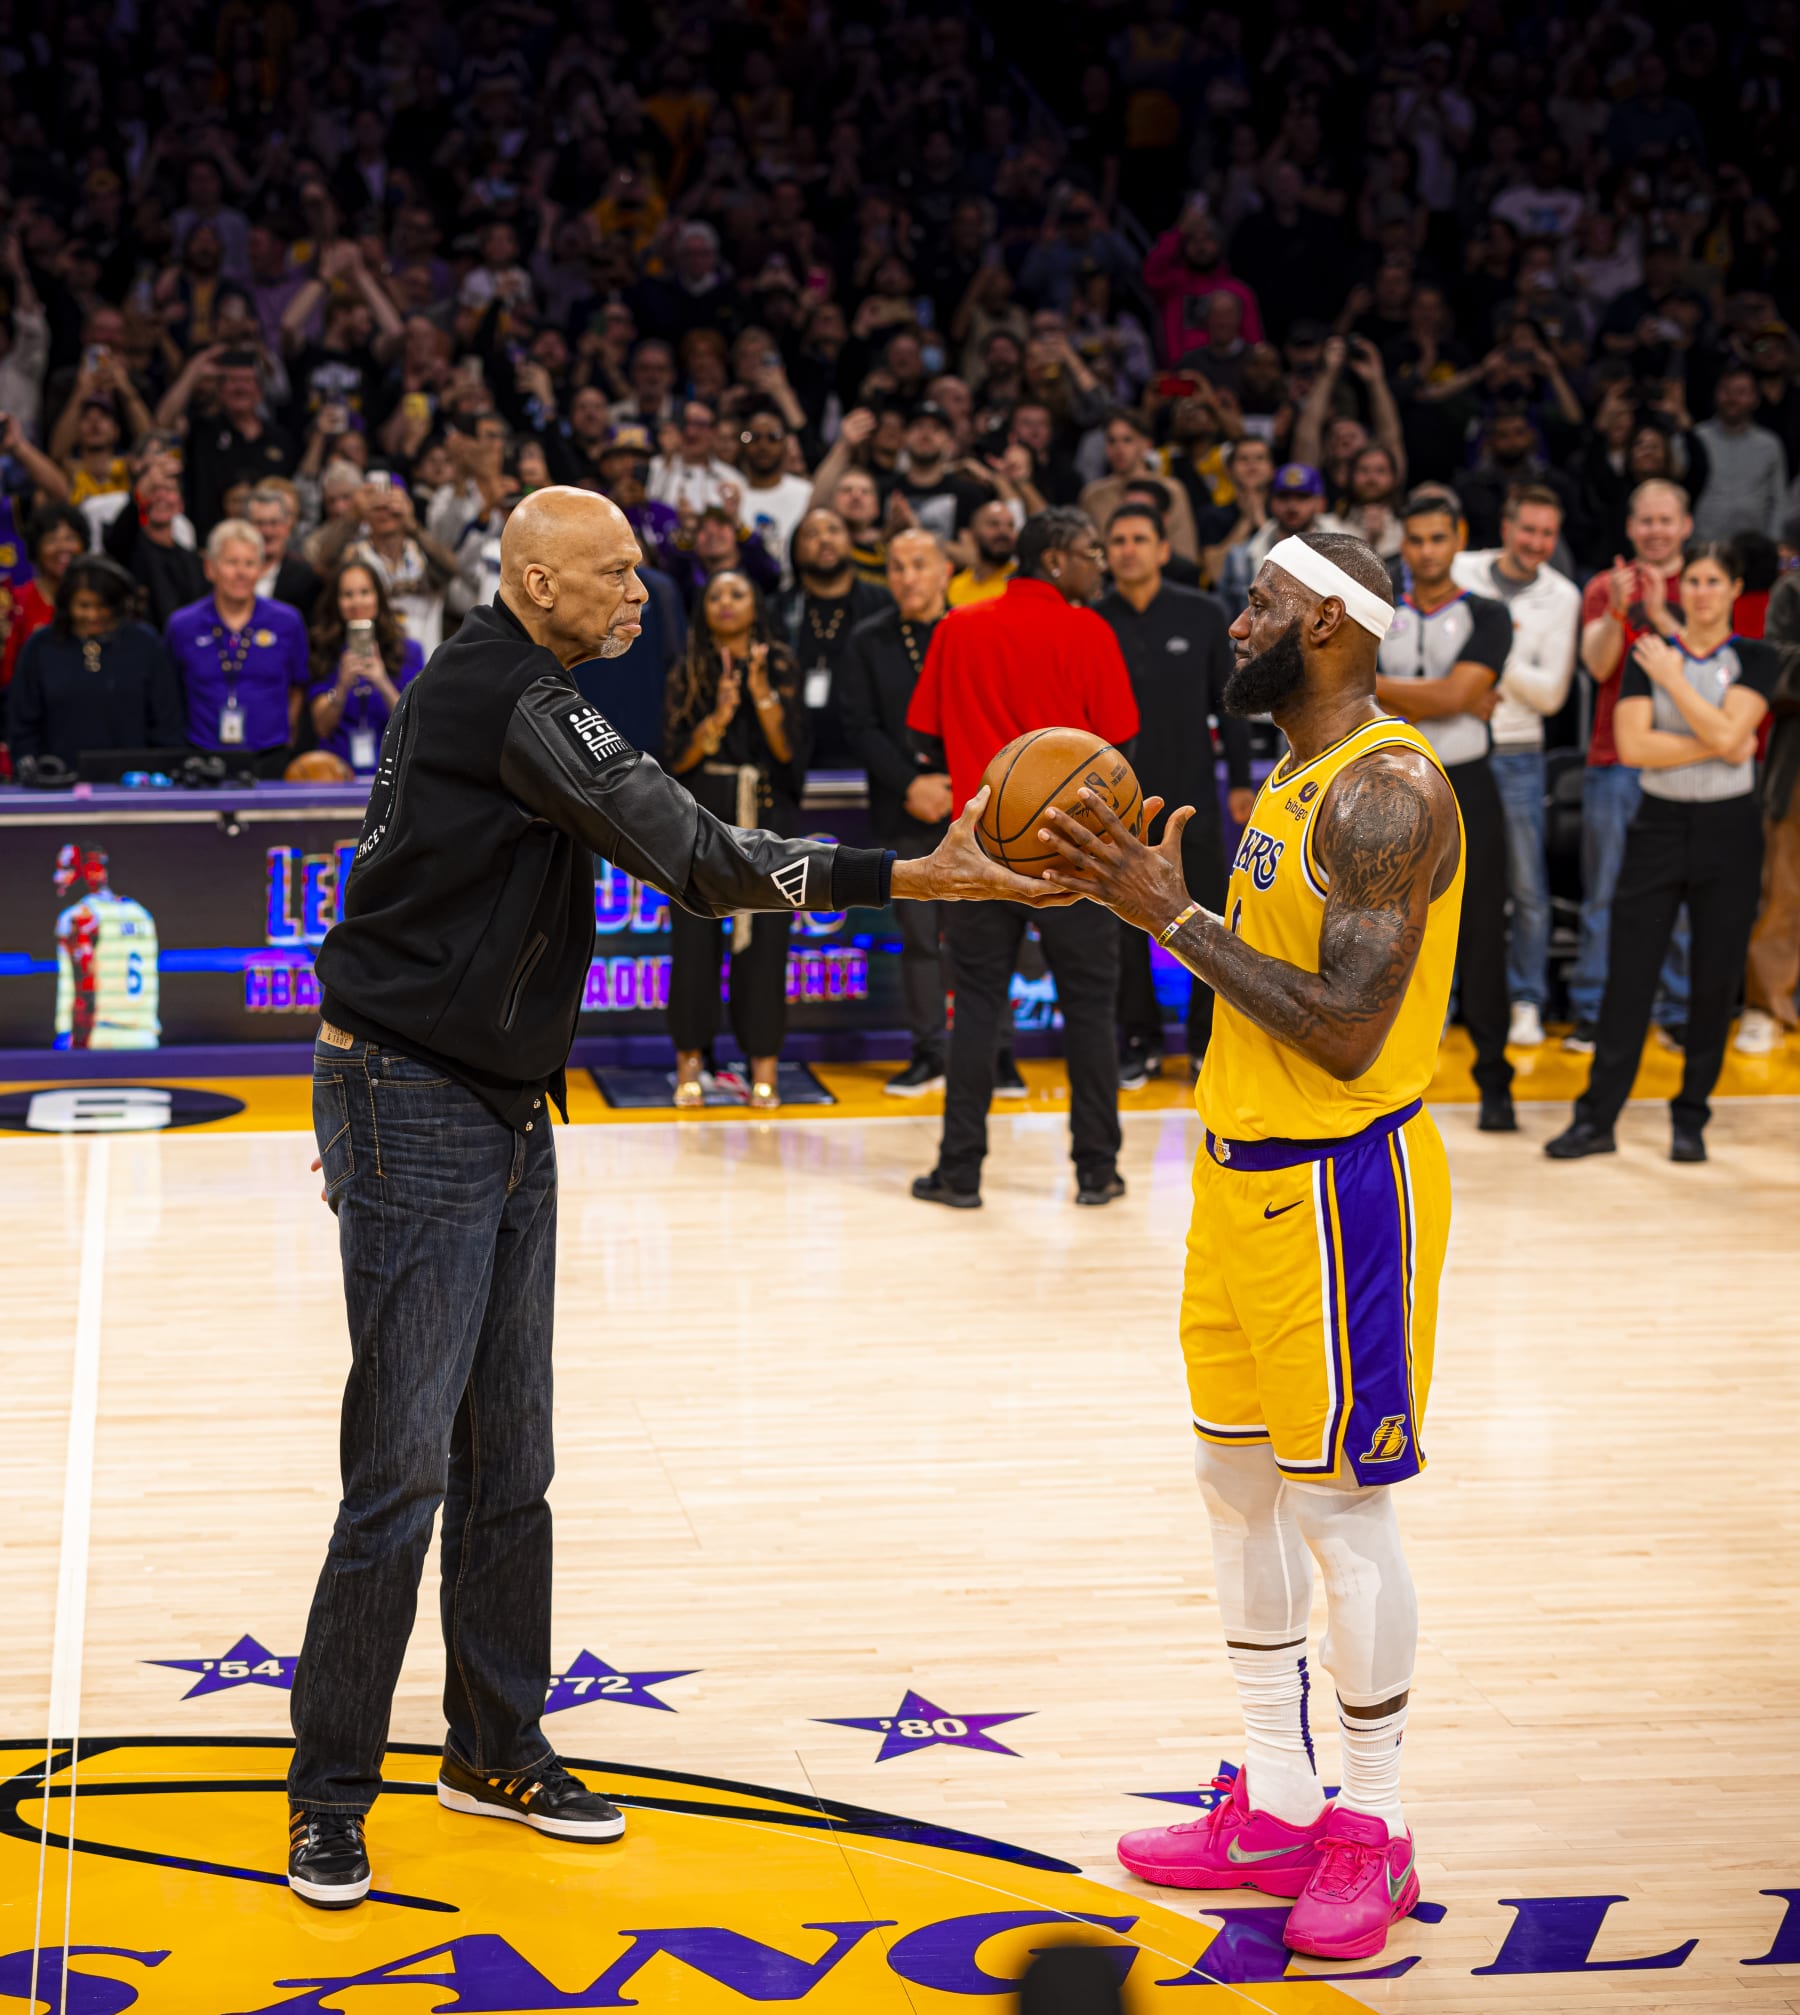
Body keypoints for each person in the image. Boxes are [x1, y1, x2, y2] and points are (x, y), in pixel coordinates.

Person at [288, 487, 1054, 1909]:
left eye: (639, 569)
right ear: (532, 579)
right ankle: (329, 1793)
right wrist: (906, 867)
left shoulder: (526, 681)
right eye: (613, 572)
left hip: (495, 1096)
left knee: (511, 1456)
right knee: (401, 1467)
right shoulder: (514, 695)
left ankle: (495, 1743)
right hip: (412, 1094)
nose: (640, 591)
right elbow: (692, 851)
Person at [1035, 530, 1454, 1963]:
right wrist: (1150, 904)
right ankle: (1279, 1797)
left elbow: (1345, 1025)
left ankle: (1376, 1820)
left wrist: (1176, 920)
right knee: (1234, 1486)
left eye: (1267, 602)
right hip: (1235, 1175)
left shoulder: (1389, 790)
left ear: (1334, 623)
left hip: (1346, 1187)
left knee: (1341, 1510)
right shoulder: (1289, 764)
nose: (1240, 620)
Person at [906, 508, 1140, 1208]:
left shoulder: (956, 626)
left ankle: (959, 1172)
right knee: (1092, 1009)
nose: (1103, 564)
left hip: (981, 849)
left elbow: (924, 733)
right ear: (1058, 559)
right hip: (1076, 852)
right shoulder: (1090, 630)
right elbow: (1120, 747)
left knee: (975, 1005)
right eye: (1094, 551)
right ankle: (1097, 1171)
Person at [1547, 544, 1777, 1164]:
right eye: (1693, 581)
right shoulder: (1646, 652)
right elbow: (1635, 746)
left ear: (1733, 590)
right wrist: (1720, 739)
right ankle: (1596, 1119)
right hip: (1657, 826)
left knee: (1714, 976)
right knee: (1630, 973)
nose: (1701, 591)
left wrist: (1679, 687)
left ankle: (1691, 1117)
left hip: (1730, 829)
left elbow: (1736, 740)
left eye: (1713, 581)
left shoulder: (1754, 656)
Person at [1097, 501, 1251, 1084]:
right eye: (1118, 539)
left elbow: (1231, 704)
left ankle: (1203, 1042)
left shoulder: (1203, 613)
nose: (1128, 548)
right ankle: (1137, 1041)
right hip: (1115, 807)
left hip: (1194, 801)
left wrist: (1239, 781)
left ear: (1164, 549)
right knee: (1122, 924)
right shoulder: (1094, 619)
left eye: (1140, 538)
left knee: (1206, 920)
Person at [1375, 493, 1516, 1130]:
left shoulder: (1489, 613)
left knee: (1483, 933)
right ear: (1402, 543)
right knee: (1383, 932)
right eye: (1415, 539)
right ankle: (1380, 1081)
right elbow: (1458, 696)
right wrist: (1451, 698)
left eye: (1438, 537)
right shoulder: (1379, 615)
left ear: (1458, 538)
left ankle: (1495, 1083)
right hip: (1391, 784)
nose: (1426, 551)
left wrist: (1371, 686)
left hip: (1469, 784)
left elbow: (1460, 693)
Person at [663, 570, 809, 1109]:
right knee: (694, 943)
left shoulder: (781, 665)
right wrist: (719, 716)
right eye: (716, 595)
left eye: (738, 592)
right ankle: (690, 1064)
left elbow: (792, 752)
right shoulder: (688, 670)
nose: (726, 602)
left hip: (766, 813)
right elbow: (674, 757)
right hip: (703, 814)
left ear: (756, 605)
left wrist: (760, 695)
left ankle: (763, 1066)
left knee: (767, 945)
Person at [1451, 486, 1580, 1046]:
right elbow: (1433, 659)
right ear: (1505, 526)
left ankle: (1526, 998)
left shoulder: (1564, 595)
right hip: (1449, 745)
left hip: (1519, 752)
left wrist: (1482, 663)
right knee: (1442, 885)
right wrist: (1508, 655)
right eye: (1528, 530)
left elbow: (1552, 697)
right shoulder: (1460, 569)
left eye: (1548, 533)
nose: (1536, 543)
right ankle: (1444, 1000)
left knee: (1527, 885)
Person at [1570, 480, 1694, 1051]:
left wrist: (1664, 612)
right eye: (1646, 520)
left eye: (1666, 520)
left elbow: (1706, 670)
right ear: (1630, 527)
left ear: (1686, 526)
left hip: (1685, 759)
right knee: (1606, 890)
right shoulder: (1603, 586)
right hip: (1614, 759)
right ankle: (1594, 1008)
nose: (1656, 531)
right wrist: (1620, 609)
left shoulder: (1705, 584)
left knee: (1681, 890)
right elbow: (1598, 668)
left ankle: (1676, 1008)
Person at [9, 556, 185, 771]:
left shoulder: (144, 643)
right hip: (56, 784)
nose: (92, 615)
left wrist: (160, 770)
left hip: (134, 785)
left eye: (102, 606)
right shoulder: (40, 646)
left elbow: (167, 721)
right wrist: (32, 767)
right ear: (67, 603)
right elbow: (22, 721)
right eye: (83, 606)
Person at [165, 519, 311, 774]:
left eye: (249, 563)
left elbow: (298, 686)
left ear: (261, 569)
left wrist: (287, 734)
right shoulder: (182, 625)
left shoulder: (287, 621)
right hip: (201, 756)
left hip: (270, 756)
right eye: (231, 563)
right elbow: (170, 691)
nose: (241, 573)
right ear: (210, 569)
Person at [1737, 563, 1800, 1055]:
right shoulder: (1792, 588)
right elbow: (1774, 673)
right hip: (1795, 763)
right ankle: (1765, 1008)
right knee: (1784, 890)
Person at [777, 507, 892, 770]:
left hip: (873, 758)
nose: (825, 539)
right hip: (795, 759)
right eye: (812, 534)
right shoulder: (778, 610)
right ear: (794, 550)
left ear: (851, 543)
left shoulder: (884, 604)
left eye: (834, 530)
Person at [308, 560, 426, 774]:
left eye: (365, 592)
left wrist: (382, 682)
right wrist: (341, 687)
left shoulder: (408, 651)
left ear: (378, 598)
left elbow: (415, 726)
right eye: (347, 594)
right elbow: (321, 728)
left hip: (393, 774)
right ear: (336, 602)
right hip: (337, 775)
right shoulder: (323, 649)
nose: (357, 602)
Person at [2, 503, 87, 692]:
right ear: (36, 548)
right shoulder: (16, 602)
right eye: (51, 540)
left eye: (70, 538)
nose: (62, 547)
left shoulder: (97, 601)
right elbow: (7, 675)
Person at [733, 404, 814, 577]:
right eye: (753, 437)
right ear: (741, 444)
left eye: (773, 437)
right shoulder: (728, 494)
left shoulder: (806, 493)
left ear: (786, 444)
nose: (763, 445)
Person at [248, 481, 321, 620]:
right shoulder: (234, 573)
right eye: (259, 523)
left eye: (274, 523)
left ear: (287, 527)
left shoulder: (306, 577)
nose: (267, 531)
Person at [947, 496, 1018, 606]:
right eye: (993, 524)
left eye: (1010, 525)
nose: (1004, 531)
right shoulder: (953, 587)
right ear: (971, 534)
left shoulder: (1023, 583)